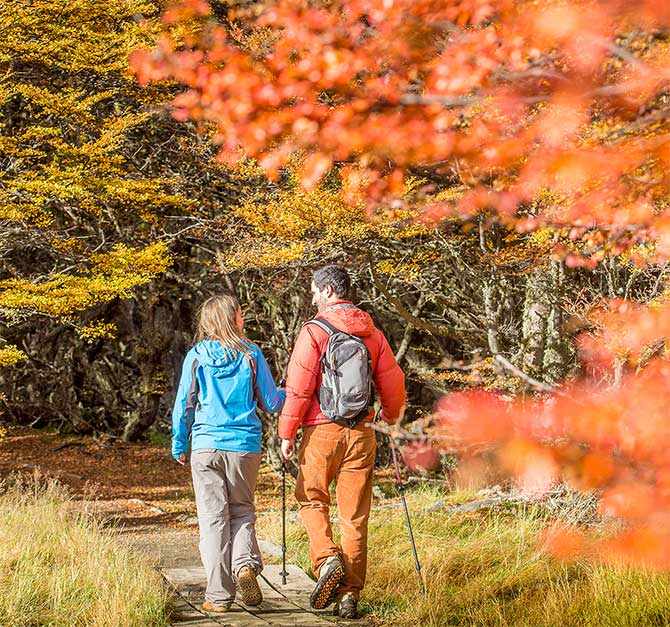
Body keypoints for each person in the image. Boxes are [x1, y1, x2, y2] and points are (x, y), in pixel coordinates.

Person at [279, 265, 406, 620]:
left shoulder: (314, 331)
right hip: (362, 432)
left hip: (321, 432)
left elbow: (299, 388)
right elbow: (393, 382)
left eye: (315, 290)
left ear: (329, 291)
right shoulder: (373, 334)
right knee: (355, 516)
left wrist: (286, 434)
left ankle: (326, 560)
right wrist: (391, 417)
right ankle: (349, 595)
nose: (313, 296)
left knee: (311, 497)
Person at [172, 294, 285, 614]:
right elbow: (272, 402)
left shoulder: (195, 356)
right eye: (239, 314)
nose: (243, 319)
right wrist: (297, 393)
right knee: (242, 512)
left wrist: (179, 442)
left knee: (212, 520)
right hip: (244, 447)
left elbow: (184, 405)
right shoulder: (251, 354)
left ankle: (220, 597)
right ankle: (245, 566)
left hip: (206, 447)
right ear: (231, 319)